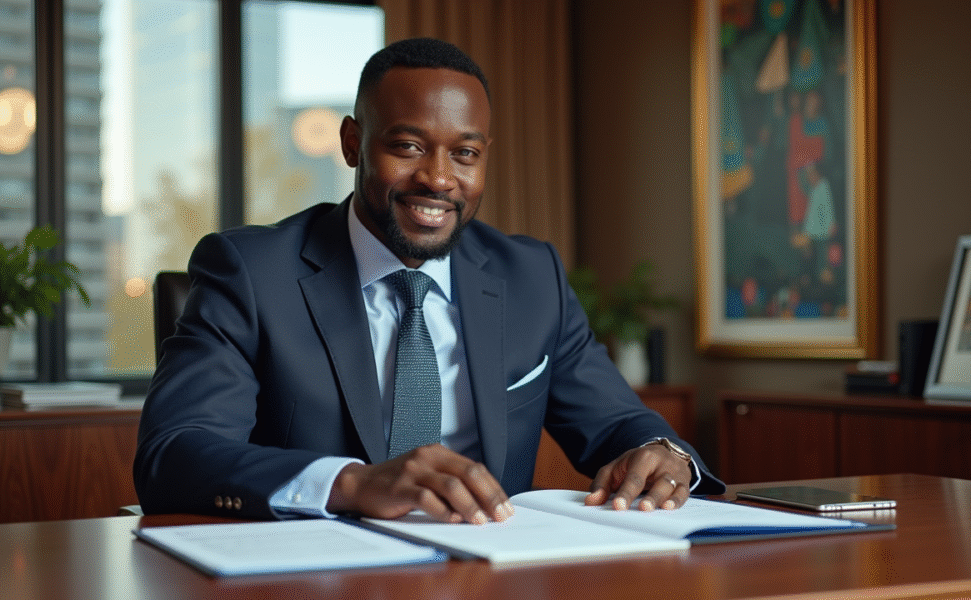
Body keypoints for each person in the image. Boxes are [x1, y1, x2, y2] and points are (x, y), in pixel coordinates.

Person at [134, 38, 724, 525]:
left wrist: (662, 453)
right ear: (351, 143)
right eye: (408, 146)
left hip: (484, 572)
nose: (438, 179)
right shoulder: (252, 271)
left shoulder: (531, 278)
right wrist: (350, 484)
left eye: (464, 154)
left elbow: (618, 422)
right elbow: (174, 453)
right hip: (307, 576)